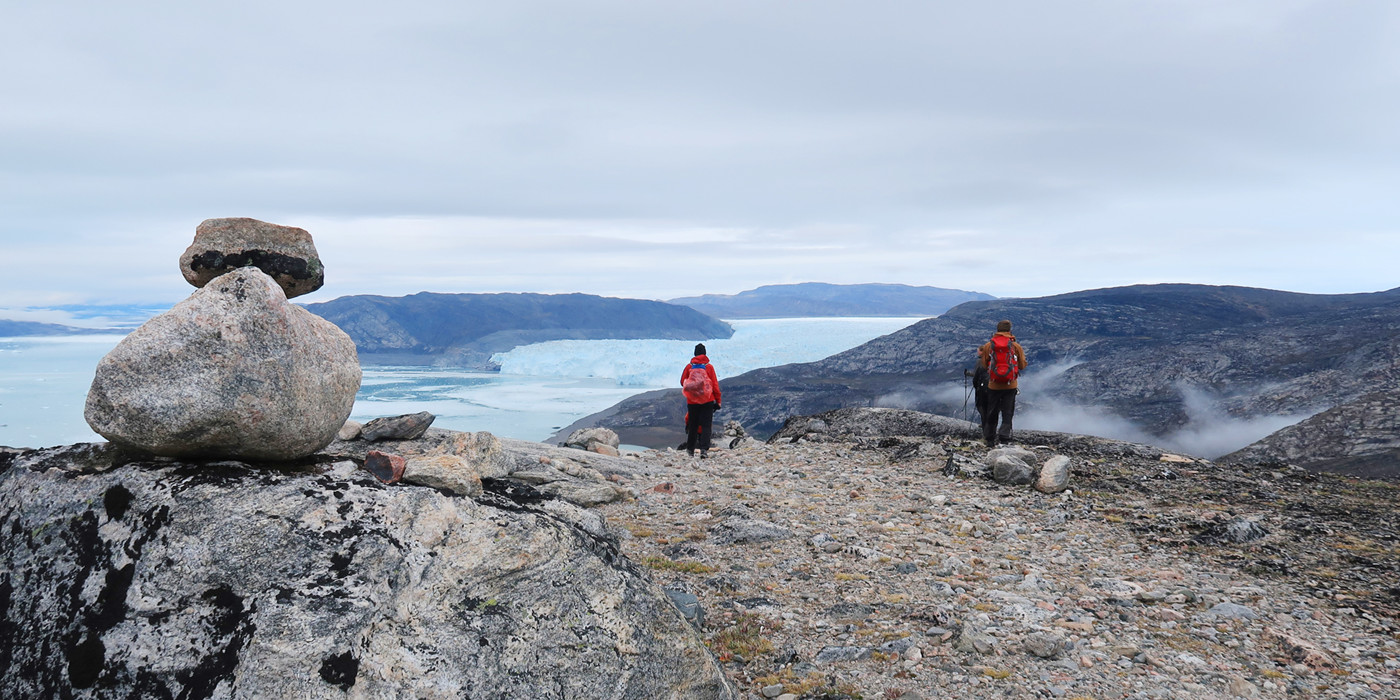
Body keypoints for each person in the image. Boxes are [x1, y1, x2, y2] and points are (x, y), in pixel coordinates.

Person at [977, 320, 1027, 447]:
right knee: (1007, 411)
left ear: (997, 330)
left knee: (992, 411)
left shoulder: (989, 345)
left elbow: (984, 363)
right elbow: (1021, 365)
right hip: (1010, 385)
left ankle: (989, 439)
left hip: (993, 385)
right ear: (1009, 330)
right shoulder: (1015, 346)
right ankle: (1004, 438)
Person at [681, 343, 721, 458]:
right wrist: (718, 401)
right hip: (708, 401)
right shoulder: (709, 367)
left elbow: (682, 381)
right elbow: (714, 385)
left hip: (692, 402)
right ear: (705, 353)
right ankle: (704, 450)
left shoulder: (689, 367)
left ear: (695, 353)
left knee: (693, 425)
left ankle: (690, 450)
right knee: (706, 426)